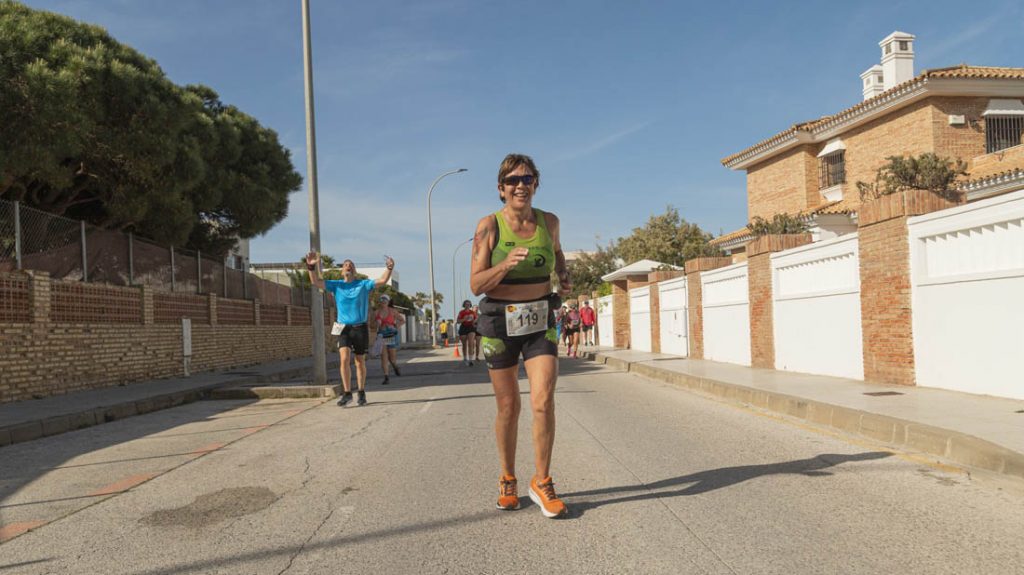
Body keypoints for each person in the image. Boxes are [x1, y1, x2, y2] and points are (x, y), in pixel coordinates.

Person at [470, 153, 570, 519]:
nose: (520, 186)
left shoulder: (550, 222)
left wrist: (564, 274)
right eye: (512, 181)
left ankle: (541, 481)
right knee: (508, 406)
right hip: (499, 321)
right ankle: (508, 476)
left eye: (526, 179)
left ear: (535, 184)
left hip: (540, 318)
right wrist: (505, 265)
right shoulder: (488, 227)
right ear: (501, 189)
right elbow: (477, 283)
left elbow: (558, 255)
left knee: (543, 400)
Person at [306, 252, 394, 407]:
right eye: (345, 265)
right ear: (342, 271)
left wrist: (389, 268)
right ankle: (347, 393)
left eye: (351, 265)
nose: (348, 266)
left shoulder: (363, 284)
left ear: (354, 270)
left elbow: (383, 280)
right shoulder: (336, 285)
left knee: (359, 362)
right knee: (344, 359)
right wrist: (311, 266)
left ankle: (361, 392)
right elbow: (315, 282)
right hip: (343, 328)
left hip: (360, 328)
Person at [373, 294, 405, 385]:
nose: (383, 302)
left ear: (388, 302)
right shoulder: (376, 312)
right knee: (384, 357)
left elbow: (402, 320)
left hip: (391, 334)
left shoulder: (393, 311)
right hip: (381, 335)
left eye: (385, 300)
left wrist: (396, 326)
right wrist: (377, 323)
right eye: (381, 300)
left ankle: (395, 366)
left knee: (392, 358)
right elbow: (371, 325)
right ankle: (386, 377)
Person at [457, 300, 478, 366]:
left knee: (471, 343)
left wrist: (474, 322)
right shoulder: (461, 312)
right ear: (464, 305)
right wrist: (464, 319)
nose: (467, 305)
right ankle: (465, 358)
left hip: (471, 328)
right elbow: (458, 321)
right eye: (466, 304)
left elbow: (476, 318)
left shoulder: (472, 312)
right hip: (463, 328)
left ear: (470, 305)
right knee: (464, 345)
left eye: (469, 304)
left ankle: (471, 360)